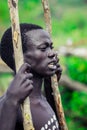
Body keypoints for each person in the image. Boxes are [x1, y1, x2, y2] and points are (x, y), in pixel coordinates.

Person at [0, 23, 62, 130]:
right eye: (43, 48)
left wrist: (49, 88)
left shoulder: (41, 98)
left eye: (51, 47)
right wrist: (12, 101)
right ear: (19, 56)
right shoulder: (10, 105)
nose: (52, 53)